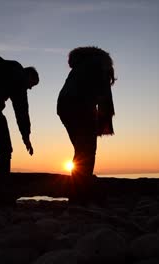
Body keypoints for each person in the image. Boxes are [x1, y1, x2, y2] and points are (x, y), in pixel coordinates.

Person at [57, 46, 116, 202]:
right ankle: (81, 193)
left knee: (81, 150)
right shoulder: (99, 65)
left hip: (63, 107)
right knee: (87, 151)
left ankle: (79, 188)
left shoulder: (79, 68)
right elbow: (105, 95)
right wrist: (104, 119)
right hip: (81, 107)